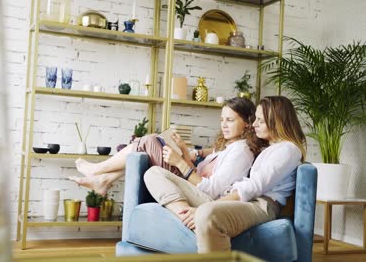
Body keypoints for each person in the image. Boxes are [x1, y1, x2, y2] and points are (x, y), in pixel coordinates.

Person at [146, 95, 306, 254]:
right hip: (244, 200)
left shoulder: (288, 150)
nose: (254, 124)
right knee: (153, 173)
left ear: (277, 122)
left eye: (260, 121)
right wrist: (192, 153)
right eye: (255, 119)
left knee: (206, 213)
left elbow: (255, 186)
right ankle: (189, 220)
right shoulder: (270, 148)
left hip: (261, 205)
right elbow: (223, 152)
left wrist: (210, 205)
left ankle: (196, 220)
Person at [70, 97, 265, 196]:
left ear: (248, 122)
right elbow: (198, 170)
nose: (223, 125)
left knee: (148, 141)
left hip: (195, 192)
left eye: (230, 120)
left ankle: (97, 171)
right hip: (189, 181)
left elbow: (211, 189)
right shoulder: (229, 146)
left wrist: (180, 162)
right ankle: (103, 180)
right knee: (152, 140)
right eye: (222, 119)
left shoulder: (241, 152)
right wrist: (184, 150)